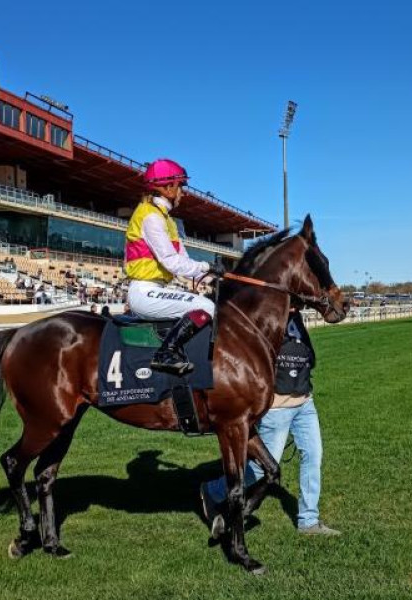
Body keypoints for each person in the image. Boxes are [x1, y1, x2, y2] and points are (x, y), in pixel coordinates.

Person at [200, 306, 340, 536]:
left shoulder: (296, 319)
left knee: (313, 457)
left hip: (305, 404)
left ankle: (308, 521)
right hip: (276, 408)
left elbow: (309, 358)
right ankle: (214, 490)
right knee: (259, 467)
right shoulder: (265, 317)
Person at [124, 158, 222, 375]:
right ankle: (165, 353)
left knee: (207, 303)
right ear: (167, 188)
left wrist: (212, 278)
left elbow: (184, 261)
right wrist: (208, 266)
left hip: (158, 289)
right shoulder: (150, 216)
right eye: (180, 186)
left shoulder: (168, 221)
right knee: (206, 307)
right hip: (144, 291)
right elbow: (171, 262)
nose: (182, 193)